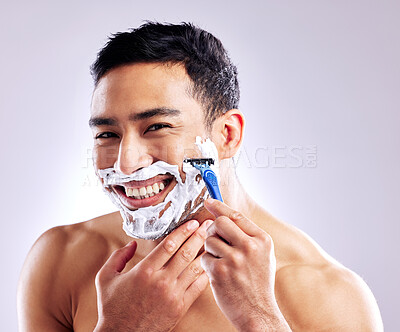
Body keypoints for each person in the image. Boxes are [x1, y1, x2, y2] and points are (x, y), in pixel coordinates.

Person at [17, 22, 383, 331]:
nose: (126, 164)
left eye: (157, 126)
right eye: (107, 134)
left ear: (227, 136)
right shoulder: (62, 261)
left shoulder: (330, 297)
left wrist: (259, 318)